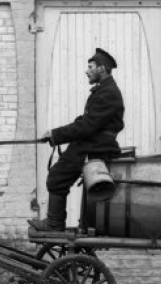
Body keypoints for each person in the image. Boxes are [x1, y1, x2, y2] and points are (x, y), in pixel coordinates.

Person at [29, 48, 125, 232]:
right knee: (58, 174)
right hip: (92, 143)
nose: (86, 71)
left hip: (95, 146)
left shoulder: (108, 93)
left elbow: (87, 126)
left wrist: (56, 135)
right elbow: (85, 121)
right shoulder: (104, 91)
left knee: (57, 176)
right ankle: (56, 223)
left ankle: (54, 224)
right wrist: (55, 134)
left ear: (102, 69)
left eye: (91, 67)